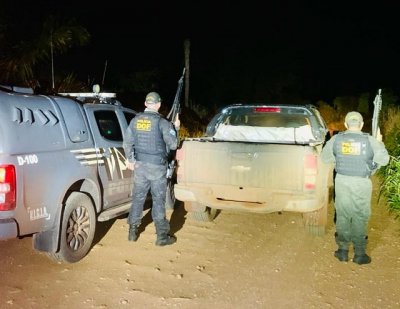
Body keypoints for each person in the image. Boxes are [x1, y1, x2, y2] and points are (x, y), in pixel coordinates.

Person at [321, 111, 389, 264]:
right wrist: (379, 142)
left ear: (345, 124)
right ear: (362, 125)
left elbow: (325, 158)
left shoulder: (336, 139)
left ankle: (343, 251)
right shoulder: (370, 140)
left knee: (343, 215)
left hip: (342, 181)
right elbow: (384, 160)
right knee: (359, 216)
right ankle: (359, 254)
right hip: (361, 183)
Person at [123, 91, 180, 246]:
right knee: (158, 200)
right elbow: (174, 144)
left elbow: (127, 143)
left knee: (138, 198)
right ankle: (162, 236)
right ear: (159, 105)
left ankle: (132, 233)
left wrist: (130, 160)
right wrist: (175, 128)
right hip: (157, 168)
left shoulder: (135, 120)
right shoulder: (162, 123)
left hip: (140, 166)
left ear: (145, 104)